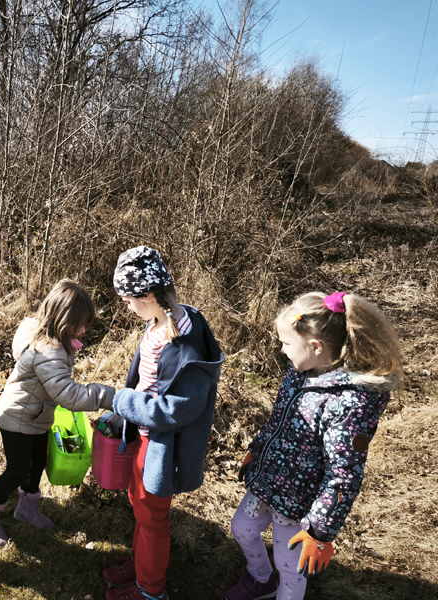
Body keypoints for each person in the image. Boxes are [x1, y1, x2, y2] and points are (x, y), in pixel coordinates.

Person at [226, 291, 402, 600]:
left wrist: (320, 531)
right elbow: (277, 422)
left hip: (299, 502)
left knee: (290, 566)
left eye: (286, 343)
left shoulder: (348, 404)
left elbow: (343, 475)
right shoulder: (298, 375)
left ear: (315, 346)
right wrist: (257, 450)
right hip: (267, 482)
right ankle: (260, 578)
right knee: (241, 528)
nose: (281, 350)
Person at [104, 246, 224, 600]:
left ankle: (150, 589)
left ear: (150, 294)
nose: (126, 306)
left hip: (161, 444)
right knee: (140, 505)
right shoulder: (158, 322)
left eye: (128, 299)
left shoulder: (184, 339)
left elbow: (177, 408)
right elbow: (146, 379)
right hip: (145, 437)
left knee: (153, 516)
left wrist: (121, 401)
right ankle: (142, 564)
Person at [0, 279, 116, 548]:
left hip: (35, 417)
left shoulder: (52, 341)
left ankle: (26, 510)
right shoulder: (48, 350)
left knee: (37, 461)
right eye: (80, 323)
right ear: (63, 319)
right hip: (17, 418)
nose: (84, 330)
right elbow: (67, 394)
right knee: (17, 470)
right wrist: (108, 396)